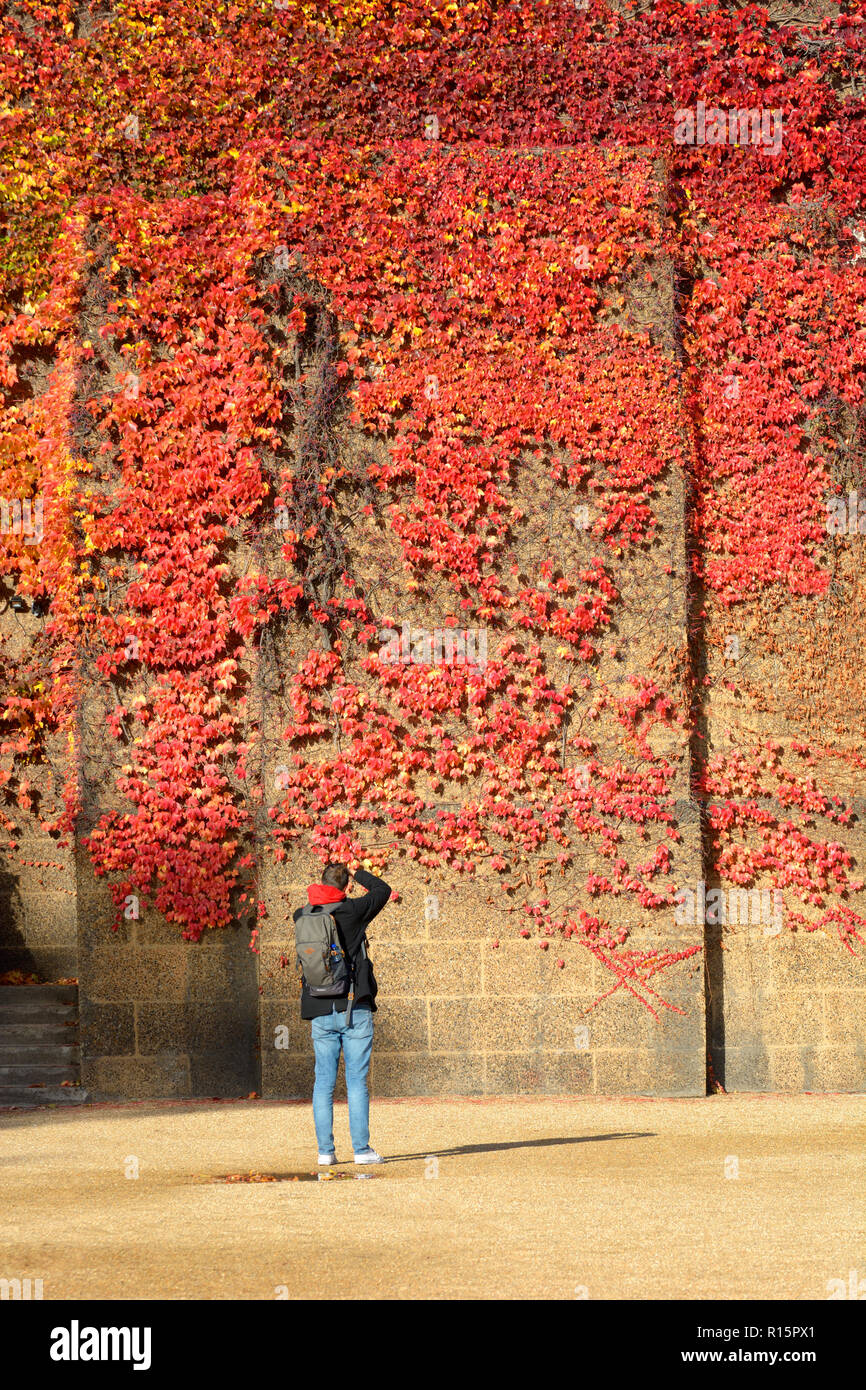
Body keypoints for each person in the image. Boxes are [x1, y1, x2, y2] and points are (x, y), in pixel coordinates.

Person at [295, 861, 391, 1165]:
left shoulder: (303, 915)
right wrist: (358, 870)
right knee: (356, 1082)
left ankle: (326, 1152)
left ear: (322, 883)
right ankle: (361, 1151)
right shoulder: (352, 910)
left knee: (323, 1082)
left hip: (319, 1007)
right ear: (346, 886)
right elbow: (383, 890)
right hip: (354, 1007)